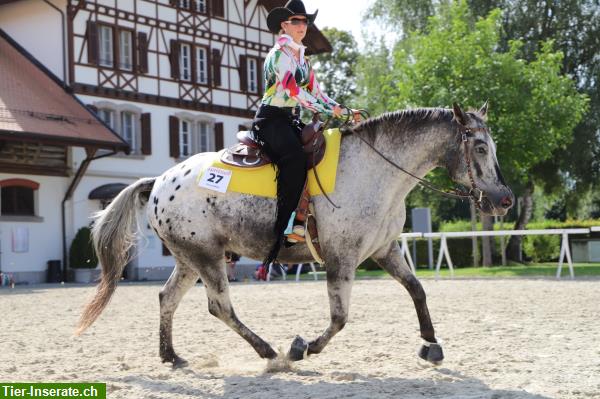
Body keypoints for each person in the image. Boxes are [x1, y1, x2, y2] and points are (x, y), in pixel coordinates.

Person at [256, 0, 349, 267]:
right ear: (284, 25)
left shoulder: (303, 59)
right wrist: (330, 110)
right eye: (296, 21)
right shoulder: (279, 55)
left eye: (305, 21)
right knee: (295, 158)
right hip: (271, 120)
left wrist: (342, 109)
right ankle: (285, 227)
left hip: (290, 119)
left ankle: (308, 217)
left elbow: (317, 93)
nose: (302, 26)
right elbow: (292, 91)